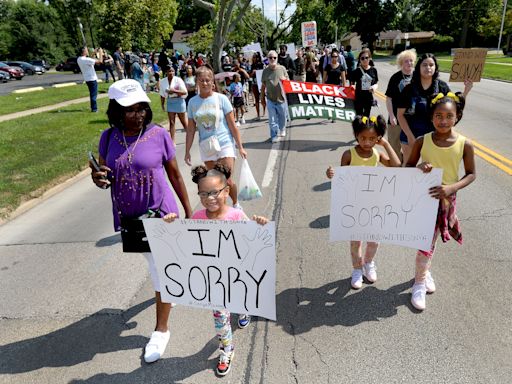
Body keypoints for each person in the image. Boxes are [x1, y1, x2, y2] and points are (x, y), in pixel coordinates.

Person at [89, 79, 193, 363]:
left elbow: (175, 175)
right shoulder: (108, 138)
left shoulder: (159, 134)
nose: (138, 114)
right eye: (129, 109)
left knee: (160, 269)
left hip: (162, 213)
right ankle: (169, 290)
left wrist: (189, 209)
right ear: (116, 111)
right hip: (131, 218)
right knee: (153, 262)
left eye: (141, 108)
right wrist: (98, 178)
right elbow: (105, 176)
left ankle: (161, 330)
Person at [163, 163, 268, 376]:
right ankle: (227, 349)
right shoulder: (198, 218)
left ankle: (244, 308)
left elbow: (253, 239)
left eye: (214, 192)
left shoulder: (236, 216)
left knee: (239, 298)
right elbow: (186, 244)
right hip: (214, 281)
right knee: (220, 317)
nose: (209, 198)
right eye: (203, 193)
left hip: (236, 275)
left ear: (227, 191)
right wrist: (171, 227)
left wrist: (260, 226)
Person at [405, 92, 475, 310]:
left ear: (457, 116)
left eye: (448, 116)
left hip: (446, 201)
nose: (443, 121)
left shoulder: (465, 144)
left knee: (430, 242)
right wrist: (418, 168)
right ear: (431, 117)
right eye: (438, 116)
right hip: (423, 200)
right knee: (425, 243)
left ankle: (423, 274)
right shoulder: (421, 141)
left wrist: (451, 188)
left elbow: (471, 174)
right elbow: (407, 169)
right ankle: (419, 283)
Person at [326, 115, 401, 289]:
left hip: (374, 205)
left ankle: (369, 263)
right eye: (363, 138)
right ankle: (357, 269)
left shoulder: (377, 153)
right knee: (356, 241)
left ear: (378, 138)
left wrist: (386, 144)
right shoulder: (348, 154)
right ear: (356, 135)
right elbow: (340, 179)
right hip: (354, 206)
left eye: (372, 138)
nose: (367, 142)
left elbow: (396, 166)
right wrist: (331, 174)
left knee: (374, 239)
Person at [185, 65, 247, 209]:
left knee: (227, 179)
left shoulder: (222, 99)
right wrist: (187, 151)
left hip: (224, 143)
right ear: (197, 82)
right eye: (201, 80)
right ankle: (223, 210)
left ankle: (236, 204)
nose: (205, 83)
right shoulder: (192, 103)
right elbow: (191, 129)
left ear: (212, 82)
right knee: (215, 181)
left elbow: (232, 125)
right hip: (207, 146)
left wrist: (240, 147)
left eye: (207, 80)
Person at [396, 53, 473, 163]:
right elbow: (400, 115)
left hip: (435, 138)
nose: (428, 68)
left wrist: (466, 91)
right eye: (425, 65)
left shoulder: (442, 87)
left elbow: (455, 107)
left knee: (431, 170)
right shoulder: (409, 88)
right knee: (409, 169)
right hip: (410, 135)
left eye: (431, 65)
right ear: (419, 68)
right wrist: (410, 137)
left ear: (435, 67)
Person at [385, 49, 417, 162]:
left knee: (412, 146)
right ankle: (397, 168)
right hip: (396, 118)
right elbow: (389, 98)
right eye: (406, 61)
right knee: (394, 146)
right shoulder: (395, 78)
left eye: (411, 60)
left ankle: (408, 166)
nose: (409, 63)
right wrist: (391, 115)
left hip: (413, 118)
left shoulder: (418, 77)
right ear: (401, 63)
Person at [260, 50, 289, 143]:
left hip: (281, 99)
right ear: (267, 59)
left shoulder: (282, 69)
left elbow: (288, 82)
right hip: (270, 100)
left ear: (277, 58)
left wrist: (285, 80)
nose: (272, 59)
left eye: (274, 57)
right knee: (272, 120)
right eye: (270, 57)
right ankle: (274, 135)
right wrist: (262, 98)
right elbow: (263, 85)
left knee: (282, 117)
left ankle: (282, 128)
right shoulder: (265, 71)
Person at [159, 65, 188, 142]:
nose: (171, 73)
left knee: (183, 122)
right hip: (170, 102)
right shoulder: (163, 81)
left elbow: (184, 92)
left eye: (172, 71)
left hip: (179, 101)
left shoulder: (178, 80)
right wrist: (162, 104)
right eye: (169, 71)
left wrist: (174, 91)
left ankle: (189, 136)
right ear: (166, 72)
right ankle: (172, 141)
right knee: (172, 122)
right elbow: (162, 94)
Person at [350, 48, 378, 117]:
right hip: (358, 99)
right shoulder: (356, 71)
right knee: (359, 119)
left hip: (368, 99)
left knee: (366, 118)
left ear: (370, 58)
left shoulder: (373, 70)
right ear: (360, 60)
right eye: (362, 58)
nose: (365, 60)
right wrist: (352, 87)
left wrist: (374, 87)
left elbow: (376, 83)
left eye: (366, 58)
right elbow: (352, 84)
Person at [77, 46, 103, 113]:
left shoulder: (79, 59)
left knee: (92, 94)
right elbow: (100, 61)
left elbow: (90, 59)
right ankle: (94, 109)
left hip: (87, 79)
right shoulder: (86, 60)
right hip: (92, 79)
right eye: (86, 50)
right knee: (94, 95)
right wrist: (100, 52)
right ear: (84, 52)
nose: (87, 51)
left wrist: (94, 52)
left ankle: (93, 107)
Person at [249, 52, 265, 120]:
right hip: (254, 83)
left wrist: (258, 71)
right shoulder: (252, 65)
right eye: (254, 57)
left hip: (261, 83)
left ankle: (264, 111)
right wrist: (252, 73)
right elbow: (250, 75)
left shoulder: (262, 64)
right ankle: (258, 114)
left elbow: (264, 72)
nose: (254, 58)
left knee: (263, 98)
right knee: (256, 99)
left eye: (255, 57)